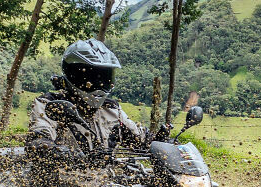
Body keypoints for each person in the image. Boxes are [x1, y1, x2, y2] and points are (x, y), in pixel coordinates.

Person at [26, 38, 164, 167]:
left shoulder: (112, 109)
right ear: (73, 75)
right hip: (58, 185)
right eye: (90, 78)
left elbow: (140, 140)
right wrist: (59, 152)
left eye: (104, 78)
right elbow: (38, 139)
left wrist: (162, 142)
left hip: (105, 184)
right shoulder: (50, 104)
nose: (98, 85)